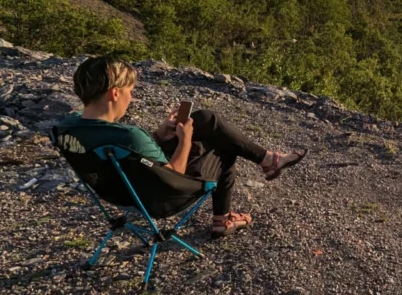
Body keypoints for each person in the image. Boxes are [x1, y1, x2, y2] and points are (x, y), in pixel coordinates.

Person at [57, 56, 306, 237]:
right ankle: (223, 219)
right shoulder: (129, 135)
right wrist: (184, 139)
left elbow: (134, 158)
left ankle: (268, 160)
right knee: (224, 147)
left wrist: (160, 135)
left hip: (122, 189)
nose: (130, 97)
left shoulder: (68, 127)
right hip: (161, 196)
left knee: (206, 120)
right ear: (114, 94)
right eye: (130, 91)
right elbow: (173, 176)